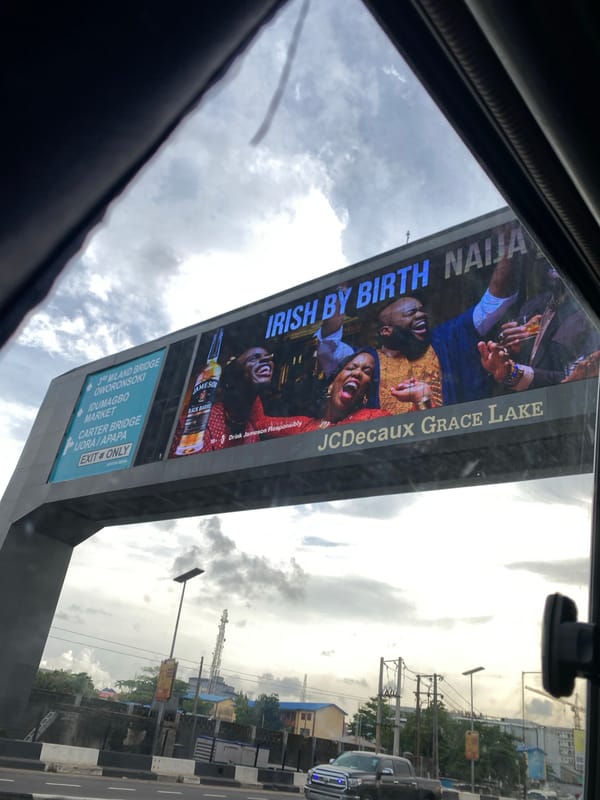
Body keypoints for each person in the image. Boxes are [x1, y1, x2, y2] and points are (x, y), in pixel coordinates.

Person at [317, 252, 518, 413]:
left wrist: (508, 246)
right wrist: (340, 292)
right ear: (387, 330)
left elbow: (491, 304)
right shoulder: (365, 362)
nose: (421, 315)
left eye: (422, 310)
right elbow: (329, 346)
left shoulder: (447, 338)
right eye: (412, 313)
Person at [478, 265, 600, 391]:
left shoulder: (589, 313)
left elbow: (575, 377)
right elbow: (509, 359)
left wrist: (512, 373)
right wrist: (508, 348)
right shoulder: (533, 305)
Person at [250, 349, 390, 436]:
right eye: (350, 368)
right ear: (331, 385)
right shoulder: (301, 426)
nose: (357, 373)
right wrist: (253, 383)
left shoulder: (376, 418)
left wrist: (413, 398)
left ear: (365, 394)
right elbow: (260, 423)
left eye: (366, 372)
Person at [170, 346, 275, 454]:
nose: (265, 360)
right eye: (253, 358)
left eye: (268, 358)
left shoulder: (252, 434)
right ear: (233, 380)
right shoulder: (190, 427)